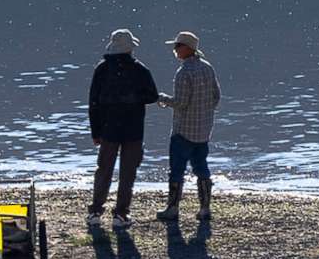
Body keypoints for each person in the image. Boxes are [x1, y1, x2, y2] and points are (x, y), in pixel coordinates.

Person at [86, 30, 159, 226]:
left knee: (104, 170)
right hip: (133, 129)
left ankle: (95, 212)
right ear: (130, 48)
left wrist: (96, 131)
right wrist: (134, 98)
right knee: (128, 173)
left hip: (108, 129)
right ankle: (120, 214)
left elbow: (93, 102)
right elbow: (153, 96)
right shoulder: (140, 70)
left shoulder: (102, 69)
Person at [155, 30, 220, 224]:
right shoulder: (208, 68)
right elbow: (217, 96)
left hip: (183, 131)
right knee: (202, 168)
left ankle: (173, 208)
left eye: (177, 46)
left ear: (187, 49)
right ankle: (205, 208)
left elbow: (181, 103)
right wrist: (205, 113)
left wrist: (162, 99)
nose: (175, 50)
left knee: (176, 170)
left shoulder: (184, 73)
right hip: (203, 131)